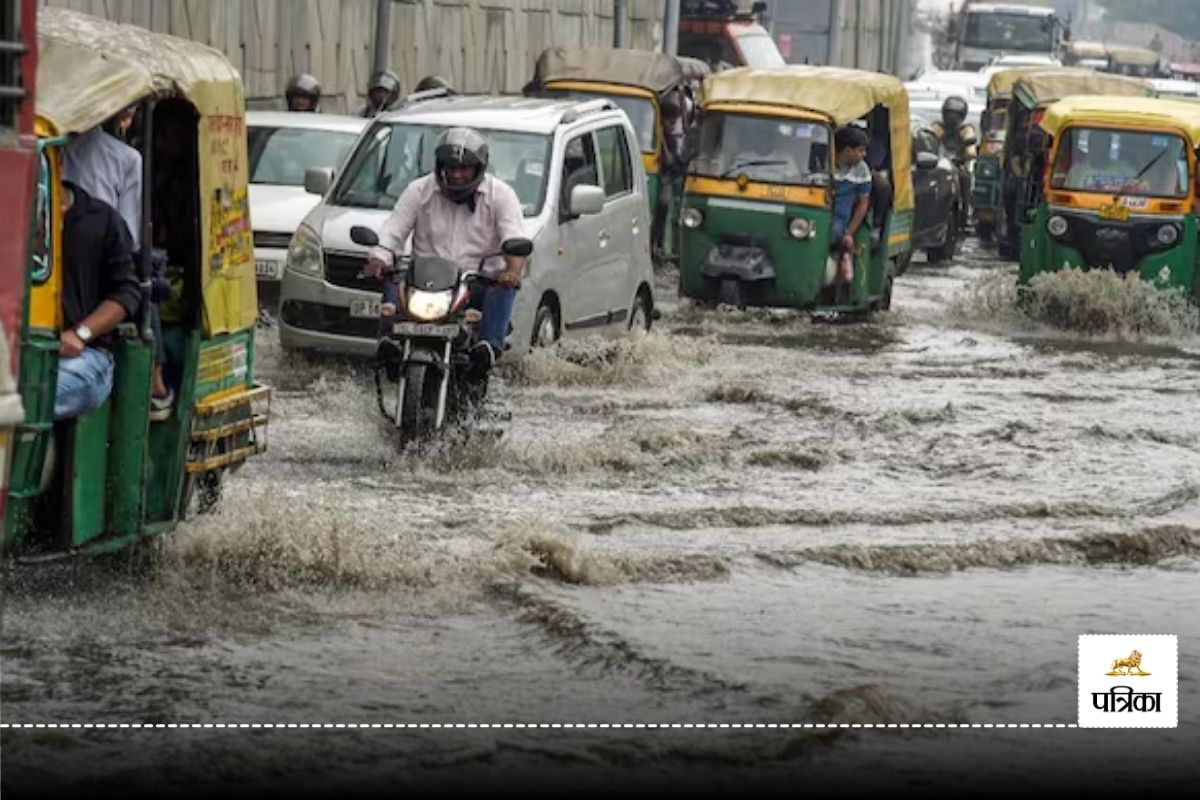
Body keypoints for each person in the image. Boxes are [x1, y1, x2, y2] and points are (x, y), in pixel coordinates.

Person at [364, 127, 527, 377]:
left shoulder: (501, 195)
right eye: (451, 168)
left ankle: (488, 349)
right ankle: (389, 343)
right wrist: (379, 259)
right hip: (425, 283)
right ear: (441, 166)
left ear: (478, 168)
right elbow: (393, 231)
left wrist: (513, 271)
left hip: (476, 284)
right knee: (394, 277)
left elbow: (513, 238)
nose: (457, 174)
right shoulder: (419, 190)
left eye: (464, 168)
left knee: (503, 286)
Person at [63, 110, 175, 420]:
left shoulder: (57, 149)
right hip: (99, 265)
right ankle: (156, 384)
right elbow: (129, 238)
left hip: (93, 286)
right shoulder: (124, 158)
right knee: (144, 276)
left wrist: (81, 334)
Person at [56, 181, 142, 420]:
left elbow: (126, 291)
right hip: (17, 357)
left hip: (84, 356)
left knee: (30, 395)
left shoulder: (100, 219)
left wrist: (80, 333)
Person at [831, 125, 872, 294]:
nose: (864, 155)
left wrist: (849, 233)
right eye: (861, 151)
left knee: (832, 234)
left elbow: (863, 204)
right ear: (847, 151)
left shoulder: (862, 169)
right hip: (817, 212)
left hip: (839, 220)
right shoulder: (823, 162)